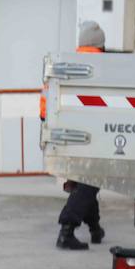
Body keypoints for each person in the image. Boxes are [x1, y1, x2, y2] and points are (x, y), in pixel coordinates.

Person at [57, 21, 106, 251]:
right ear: (101, 45)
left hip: (64, 133)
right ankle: (67, 230)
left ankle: (96, 229)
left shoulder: (64, 64)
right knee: (90, 182)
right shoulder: (104, 67)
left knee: (86, 181)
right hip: (95, 135)